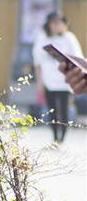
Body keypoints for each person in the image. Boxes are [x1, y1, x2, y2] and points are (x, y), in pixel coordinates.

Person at [32, 11, 84, 147]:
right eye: (54, 23)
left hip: (64, 82)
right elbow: (37, 63)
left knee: (64, 110)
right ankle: (55, 137)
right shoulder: (42, 38)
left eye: (59, 22)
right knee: (52, 110)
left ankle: (62, 137)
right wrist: (40, 83)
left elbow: (78, 60)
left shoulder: (69, 38)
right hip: (48, 81)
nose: (56, 26)